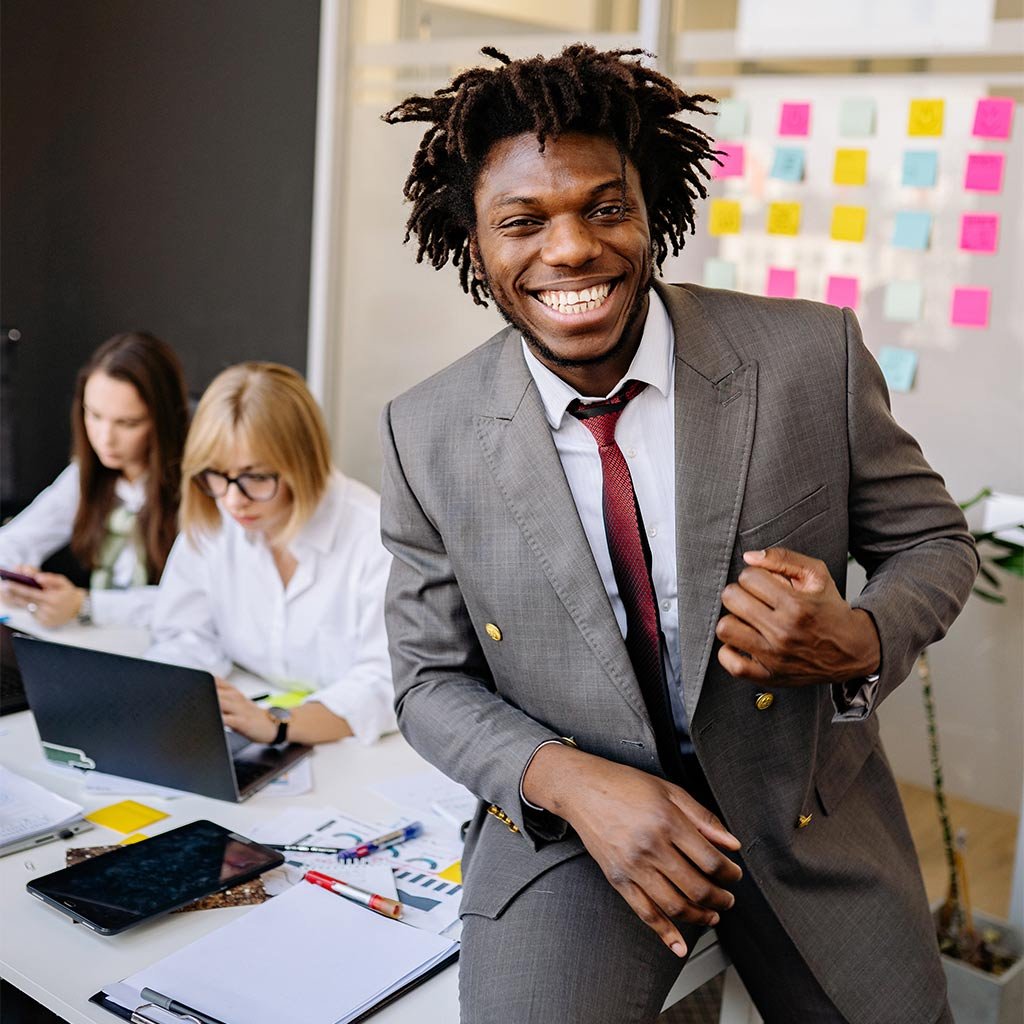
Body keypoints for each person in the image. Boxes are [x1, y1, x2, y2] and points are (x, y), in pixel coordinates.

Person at [379, 45, 978, 1024]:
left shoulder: (806, 357)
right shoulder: (424, 430)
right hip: (576, 835)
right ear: (471, 242)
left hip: (803, 811)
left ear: (651, 205)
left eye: (603, 208)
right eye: (523, 221)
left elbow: (933, 545)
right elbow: (425, 680)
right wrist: (570, 783)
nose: (570, 249)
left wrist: (856, 638)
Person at [146, 362, 395, 747]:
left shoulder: (374, 537)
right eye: (216, 474)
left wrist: (276, 724)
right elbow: (184, 634)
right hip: (252, 723)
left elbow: (385, 682)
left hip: (354, 750)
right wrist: (188, 694)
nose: (232, 499)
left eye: (257, 477)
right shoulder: (216, 518)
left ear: (303, 464)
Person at [0, 332, 187, 628]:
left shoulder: (199, 488)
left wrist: (83, 604)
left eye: (128, 423)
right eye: (94, 416)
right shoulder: (86, 474)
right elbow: (15, 541)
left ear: (164, 420)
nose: (105, 438)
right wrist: (16, 584)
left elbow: (194, 603)